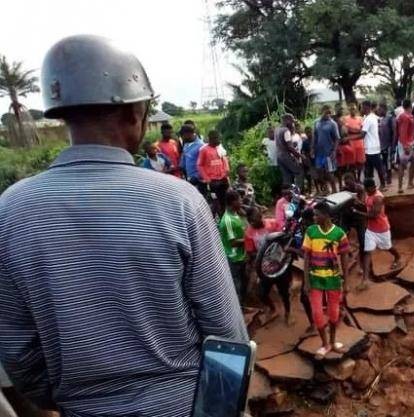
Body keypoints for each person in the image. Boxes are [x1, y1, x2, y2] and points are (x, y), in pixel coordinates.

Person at [0, 35, 247, 417]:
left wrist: (73, 399)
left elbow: (17, 350)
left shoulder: (9, 211)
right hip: (185, 405)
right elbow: (227, 335)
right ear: (135, 114)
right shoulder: (180, 202)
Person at [302, 202, 350, 360]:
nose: (314, 217)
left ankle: (333, 342)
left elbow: (344, 258)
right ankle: (325, 344)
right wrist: (306, 281)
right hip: (315, 280)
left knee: (334, 314)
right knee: (317, 314)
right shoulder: (310, 232)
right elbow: (307, 258)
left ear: (327, 216)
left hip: (333, 279)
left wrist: (346, 282)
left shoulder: (339, 234)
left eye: (317, 215)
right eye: (314, 215)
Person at [244, 207, 293, 324]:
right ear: (249, 221)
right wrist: (260, 260)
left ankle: (288, 313)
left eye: (258, 219)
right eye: (252, 221)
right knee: (262, 293)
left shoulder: (272, 224)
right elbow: (251, 252)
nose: (256, 222)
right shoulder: (249, 233)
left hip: (279, 264)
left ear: (261, 216)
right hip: (265, 268)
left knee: (284, 292)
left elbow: (284, 240)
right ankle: (273, 309)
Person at [353, 178, 400, 290]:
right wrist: (358, 203)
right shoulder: (368, 194)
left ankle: (397, 257)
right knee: (367, 251)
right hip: (371, 229)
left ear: (372, 187)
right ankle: (365, 280)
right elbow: (367, 206)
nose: (366, 191)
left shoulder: (378, 198)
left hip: (382, 229)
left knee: (387, 247)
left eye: (367, 189)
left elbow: (374, 215)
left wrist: (357, 212)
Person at [219, 189, 248, 304]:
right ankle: (239, 308)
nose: (241, 201)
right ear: (233, 202)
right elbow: (233, 242)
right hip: (234, 257)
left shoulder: (236, 213)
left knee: (244, 281)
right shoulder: (227, 221)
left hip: (241, 255)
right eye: (239, 199)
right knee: (237, 285)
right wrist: (249, 240)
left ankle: (243, 305)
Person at [197, 130, 230, 215]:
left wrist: (226, 171)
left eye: (219, 138)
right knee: (215, 202)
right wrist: (207, 179)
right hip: (213, 182)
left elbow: (224, 160)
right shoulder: (204, 150)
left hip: (223, 179)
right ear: (211, 139)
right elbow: (199, 165)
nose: (219, 141)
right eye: (217, 139)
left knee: (225, 201)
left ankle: (225, 219)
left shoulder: (220, 148)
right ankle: (215, 220)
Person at [313, 105, 341, 194]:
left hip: (328, 152)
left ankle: (334, 191)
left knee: (330, 174)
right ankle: (326, 190)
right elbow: (315, 136)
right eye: (326, 112)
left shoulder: (332, 124)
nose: (328, 114)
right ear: (322, 112)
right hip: (319, 153)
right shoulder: (316, 122)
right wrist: (312, 148)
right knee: (319, 173)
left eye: (329, 113)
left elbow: (337, 139)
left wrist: (334, 151)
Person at [360, 100, 386, 190]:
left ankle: (382, 185)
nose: (361, 109)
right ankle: (372, 186)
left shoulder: (368, 119)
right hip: (372, 147)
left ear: (366, 107)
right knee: (370, 169)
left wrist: (348, 138)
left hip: (371, 148)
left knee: (376, 168)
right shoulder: (371, 117)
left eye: (362, 107)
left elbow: (362, 134)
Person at [395, 99, 414, 193]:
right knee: (402, 164)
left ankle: (410, 183)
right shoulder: (404, 116)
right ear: (410, 106)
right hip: (406, 143)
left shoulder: (409, 116)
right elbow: (403, 131)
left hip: (411, 142)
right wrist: (405, 145)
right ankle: (400, 187)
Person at [276, 114, 304, 188]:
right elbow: (290, 147)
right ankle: (297, 194)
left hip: (279, 156)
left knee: (287, 176)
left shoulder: (277, 129)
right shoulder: (286, 131)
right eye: (292, 121)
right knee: (299, 172)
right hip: (286, 155)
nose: (293, 123)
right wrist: (300, 155)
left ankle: (288, 196)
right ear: (287, 120)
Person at [180, 124, 206, 194]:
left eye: (183, 135)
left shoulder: (201, 146)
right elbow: (184, 161)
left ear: (189, 134)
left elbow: (205, 164)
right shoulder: (186, 144)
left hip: (199, 181)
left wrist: (197, 177)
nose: (182, 137)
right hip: (189, 179)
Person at [343, 104, 366, 181]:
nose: (353, 110)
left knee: (360, 162)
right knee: (351, 163)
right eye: (351, 109)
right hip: (350, 143)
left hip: (359, 143)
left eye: (354, 109)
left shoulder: (360, 119)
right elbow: (346, 130)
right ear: (349, 110)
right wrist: (357, 131)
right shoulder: (345, 119)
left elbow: (362, 130)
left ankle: (359, 178)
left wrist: (353, 130)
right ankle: (354, 178)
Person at [377, 102, 395, 186]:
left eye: (380, 109)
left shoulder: (390, 118)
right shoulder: (379, 119)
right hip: (381, 144)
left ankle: (389, 178)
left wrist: (393, 144)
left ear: (384, 109)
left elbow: (394, 132)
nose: (378, 110)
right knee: (383, 161)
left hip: (388, 144)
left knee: (388, 162)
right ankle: (385, 176)